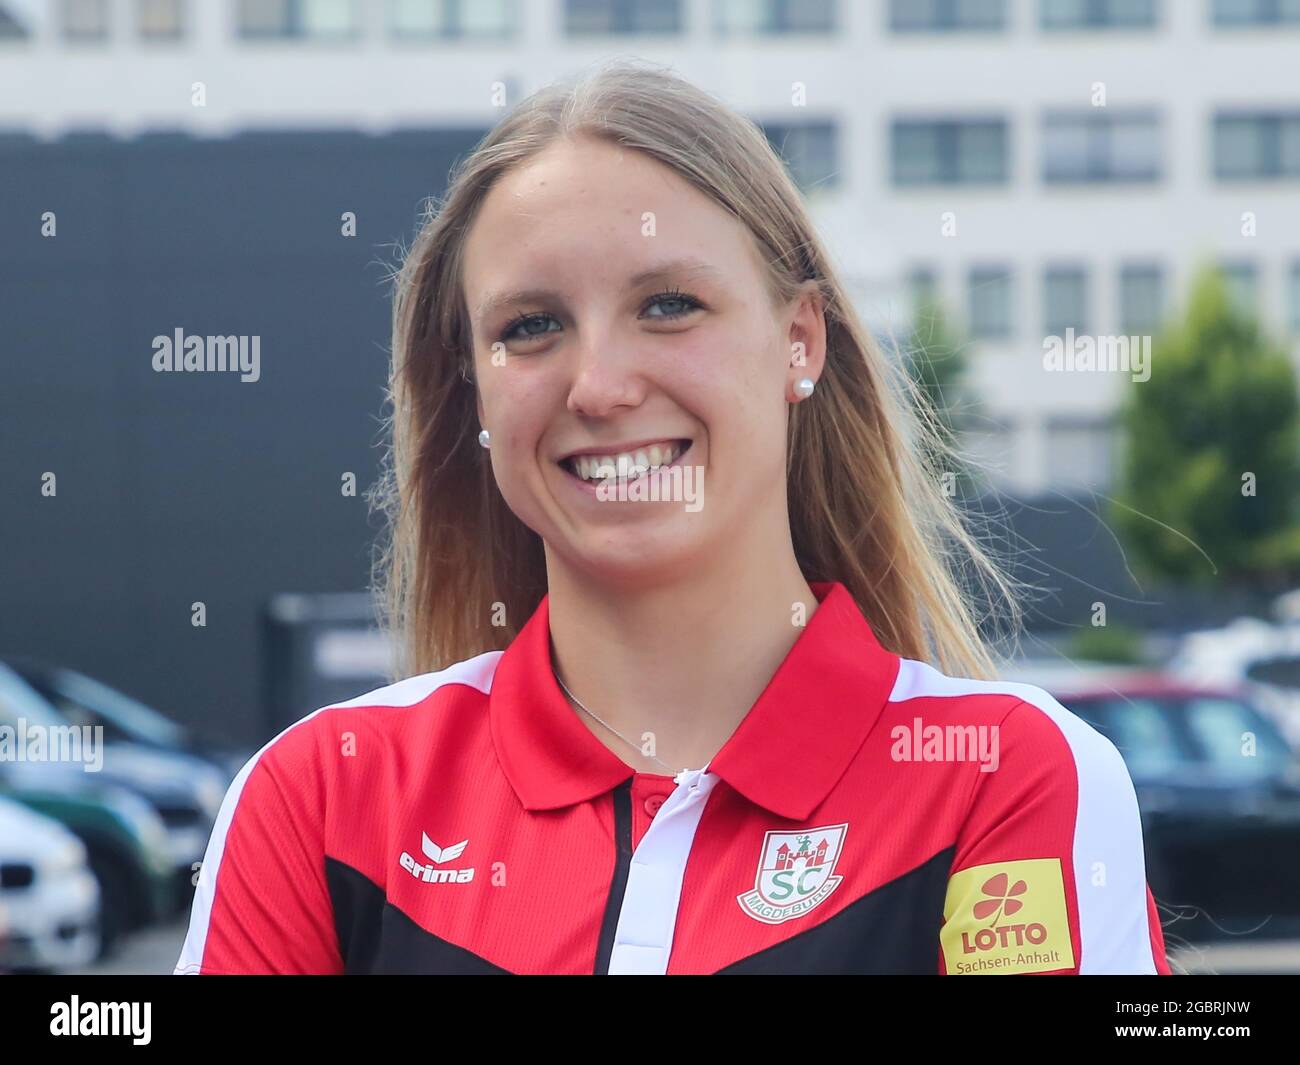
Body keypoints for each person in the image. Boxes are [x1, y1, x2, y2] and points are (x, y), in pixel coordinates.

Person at [174, 60, 1170, 975]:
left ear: (798, 341)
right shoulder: (322, 797)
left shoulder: (1001, 777)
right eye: (531, 328)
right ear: (474, 389)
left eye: (668, 305)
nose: (599, 386)